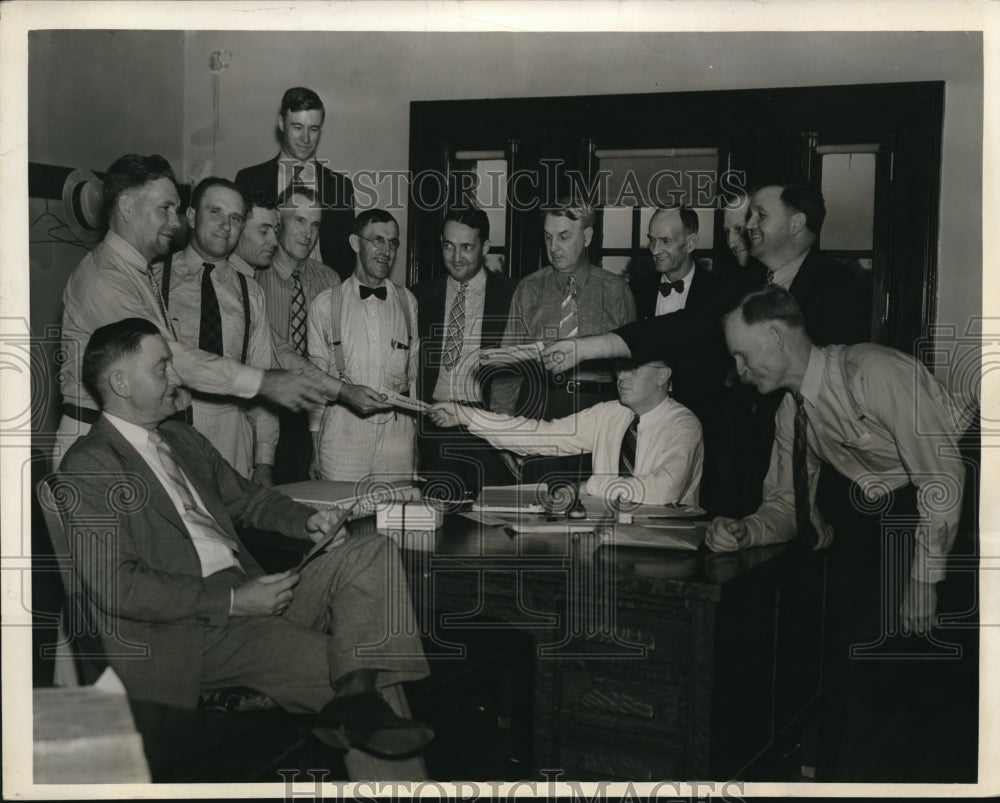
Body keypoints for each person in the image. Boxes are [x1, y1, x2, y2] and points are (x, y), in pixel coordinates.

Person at [55, 317, 433, 777]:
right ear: (121, 383)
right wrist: (234, 601)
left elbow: (251, 500)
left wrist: (305, 521)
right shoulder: (89, 464)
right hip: (189, 634)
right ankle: (367, 717)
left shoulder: (181, 438)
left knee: (371, 551)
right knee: (353, 656)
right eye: (162, 367)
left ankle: (354, 699)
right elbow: (117, 586)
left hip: (253, 597)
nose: (176, 378)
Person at [704, 285, 966, 631]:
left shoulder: (874, 371)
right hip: (892, 506)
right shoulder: (790, 413)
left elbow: (942, 479)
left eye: (743, 356)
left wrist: (924, 581)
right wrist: (744, 532)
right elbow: (787, 505)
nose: (740, 371)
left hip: (962, 500)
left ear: (776, 336)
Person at [56, 154, 329, 469]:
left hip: (138, 439)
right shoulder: (106, 278)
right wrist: (262, 382)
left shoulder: (137, 272)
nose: (174, 222)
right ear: (128, 207)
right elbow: (169, 358)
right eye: (165, 209)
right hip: (96, 445)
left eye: (236, 218)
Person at [489, 196, 636, 484]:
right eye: (548, 237)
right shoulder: (529, 290)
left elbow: (634, 367)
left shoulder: (616, 291)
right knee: (539, 505)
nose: (554, 247)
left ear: (587, 236)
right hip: (541, 410)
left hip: (601, 413)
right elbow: (508, 366)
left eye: (564, 236)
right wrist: (502, 433)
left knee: (598, 503)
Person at [429, 356, 702, 507]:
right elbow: (540, 435)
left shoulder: (684, 424)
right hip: (608, 538)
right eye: (620, 369)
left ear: (663, 375)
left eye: (632, 369)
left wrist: (587, 487)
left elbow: (665, 489)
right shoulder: (609, 414)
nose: (621, 376)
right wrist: (465, 415)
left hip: (668, 550)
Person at [254, 187, 388, 483]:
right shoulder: (256, 277)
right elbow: (274, 352)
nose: (308, 233)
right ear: (279, 221)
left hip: (319, 414)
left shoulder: (329, 279)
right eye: (300, 221)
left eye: (315, 225)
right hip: (267, 411)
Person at [158, 177, 278, 484]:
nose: (226, 225)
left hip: (233, 438)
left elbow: (263, 379)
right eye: (215, 212)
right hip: (169, 430)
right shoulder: (155, 280)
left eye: (235, 218)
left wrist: (264, 461)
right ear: (191, 216)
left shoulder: (250, 293)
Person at [411, 208, 516, 494]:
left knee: (493, 515)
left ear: (485, 247)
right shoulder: (419, 296)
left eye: (466, 247)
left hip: (488, 431)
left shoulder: (512, 295)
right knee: (439, 515)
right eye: (449, 246)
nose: (456, 257)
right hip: (435, 430)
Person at [308, 210, 419, 482]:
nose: (386, 251)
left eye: (393, 243)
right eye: (377, 240)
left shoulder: (407, 302)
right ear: (355, 243)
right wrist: (315, 447)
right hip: (342, 440)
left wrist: (415, 442)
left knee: (398, 509)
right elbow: (314, 382)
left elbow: (413, 377)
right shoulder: (325, 304)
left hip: (397, 443)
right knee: (340, 507)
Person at [235, 87, 355, 280]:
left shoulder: (341, 187)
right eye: (297, 127)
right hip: (261, 288)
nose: (306, 139)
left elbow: (346, 260)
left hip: (323, 289)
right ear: (281, 123)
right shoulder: (249, 180)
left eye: (313, 129)